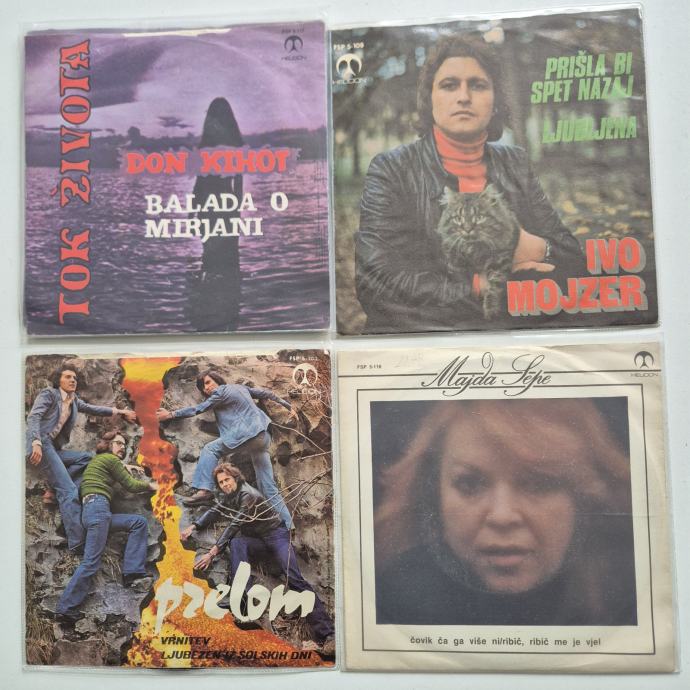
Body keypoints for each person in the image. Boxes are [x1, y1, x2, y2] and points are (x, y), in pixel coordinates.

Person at [355, 36, 586, 333]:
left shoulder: (514, 163)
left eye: (477, 85)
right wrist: (480, 287)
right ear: (429, 98)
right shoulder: (393, 170)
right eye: (449, 85)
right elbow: (375, 284)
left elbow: (573, 259)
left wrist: (537, 248)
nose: (463, 97)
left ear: (495, 102)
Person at [374, 398, 637, 626]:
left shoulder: (633, 605)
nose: (502, 516)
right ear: (433, 494)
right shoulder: (390, 601)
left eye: (537, 483)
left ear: (585, 497)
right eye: (470, 484)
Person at [181, 463, 335, 653]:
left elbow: (234, 524)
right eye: (221, 482)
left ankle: (328, 633)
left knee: (294, 579)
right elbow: (215, 510)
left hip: (277, 536)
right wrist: (194, 526)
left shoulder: (248, 495)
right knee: (237, 544)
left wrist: (211, 553)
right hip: (258, 541)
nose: (225, 484)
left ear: (235, 478)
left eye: (227, 480)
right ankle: (242, 599)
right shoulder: (230, 495)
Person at [156, 369, 296, 528]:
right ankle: (289, 526)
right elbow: (266, 393)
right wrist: (289, 406)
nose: (206, 388)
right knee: (268, 487)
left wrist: (171, 414)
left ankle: (205, 491)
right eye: (203, 387)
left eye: (208, 382)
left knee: (210, 449)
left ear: (217, 380)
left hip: (248, 435)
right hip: (263, 437)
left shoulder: (221, 392)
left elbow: (198, 409)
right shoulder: (240, 388)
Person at [25, 363, 137, 552]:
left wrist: (121, 412)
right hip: (41, 444)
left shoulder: (74, 400)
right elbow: (33, 417)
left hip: (53, 448)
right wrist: (35, 442)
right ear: (58, 380)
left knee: (88, 457)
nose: (73, 380)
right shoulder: (49, 394)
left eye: (75, 378)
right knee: (69, 491)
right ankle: (77, 543)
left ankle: (54, 487)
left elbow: (94, 409)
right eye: (68, 377)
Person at [55, 431, 158, 624]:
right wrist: (152, 486)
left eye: (124, 445)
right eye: (118, 443)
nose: (122, 447)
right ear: (108, 444)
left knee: (138, 522)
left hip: (95, 512)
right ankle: (65, 608)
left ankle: (132, 572)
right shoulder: (109, 459)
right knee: (90, 562)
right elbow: (131, 485)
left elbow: (115, 471)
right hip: (98, 509)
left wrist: (125, 466)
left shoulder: (100, 462)